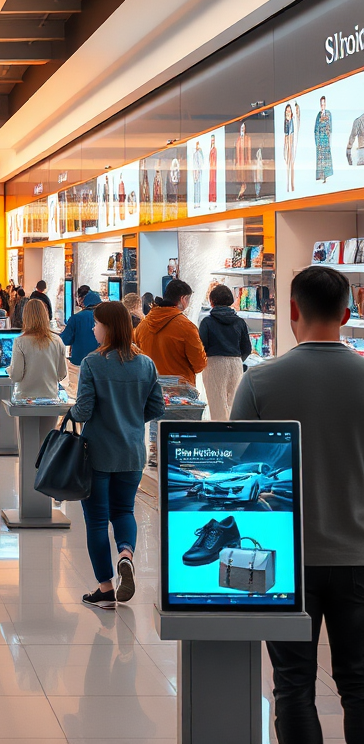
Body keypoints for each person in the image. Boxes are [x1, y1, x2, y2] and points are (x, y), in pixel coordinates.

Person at [232, 267, 364, 743]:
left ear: (291, 312)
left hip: (286, 561)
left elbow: (241, 463)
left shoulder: (260, 382)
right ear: (347, 314)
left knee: (292, 685)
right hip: (359, 558)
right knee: (359, 683)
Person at [66, 301, 164, 610]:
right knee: (124, 511)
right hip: (132, 453)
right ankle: (126, 555)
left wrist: (68, 411)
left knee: (96, 520)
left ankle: (105, 589)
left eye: (96, 324)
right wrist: (132, 418)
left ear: (107, 327)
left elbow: (83, 410)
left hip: (97, 453)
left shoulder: (93, 363)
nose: (93, 328)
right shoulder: (146, 363)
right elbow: (157, 407)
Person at [134, 279, 207, 386]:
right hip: (181, 391)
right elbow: (199, 364)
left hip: (151, 388)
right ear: (183, 299)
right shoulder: (187, 327)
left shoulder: (142, 325)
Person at [198, 284, 252, 420]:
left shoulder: (207, 322)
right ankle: (235, 436)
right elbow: (247, 348)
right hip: (235, 364)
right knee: (234, 405)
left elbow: (201, 347)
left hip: (214, 364)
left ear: (212, 301)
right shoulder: (240, 322)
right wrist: (238, 360)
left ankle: (219, 438)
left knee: (217, 406)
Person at [8, 299, 67, 401]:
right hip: (51, 397)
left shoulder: (20, 342)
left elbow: (16, 376)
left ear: (25, 316)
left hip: (26, 398)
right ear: (45, 315)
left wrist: (9, 369)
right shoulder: (57, 341)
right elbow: (62, 374)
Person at [60, 290, 102, 399]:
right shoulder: (105, 318)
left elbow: (65, 340)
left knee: (78, 396)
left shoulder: (76, 318)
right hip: (100, 364)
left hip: (79, 363)